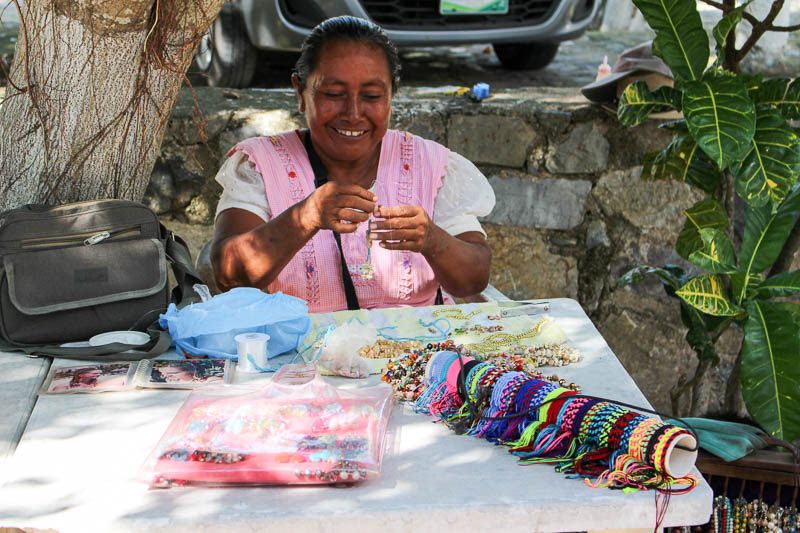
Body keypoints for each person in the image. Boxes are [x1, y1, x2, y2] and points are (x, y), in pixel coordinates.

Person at [211, 16, 495, 313]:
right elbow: (229, 276)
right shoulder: (261, 164)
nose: (353, 113)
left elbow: (473, 280)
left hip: (415, 354)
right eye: (333, 94)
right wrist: (305, 216)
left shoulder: (431, 165)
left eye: (372, 96)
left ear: (391, 96)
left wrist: (433, 241)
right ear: (300, 92)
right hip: (296, 356)